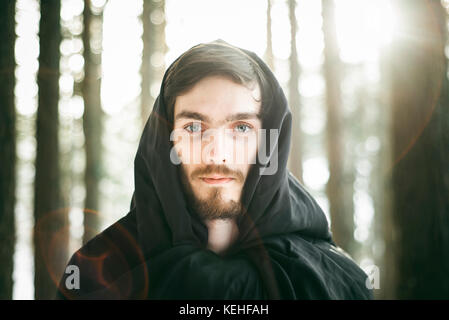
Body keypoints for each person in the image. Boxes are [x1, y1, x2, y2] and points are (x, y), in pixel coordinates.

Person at [56, 40, 373, 300]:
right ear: (167, 142)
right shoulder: (98, 273)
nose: (217, 152)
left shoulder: (336, 282)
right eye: (194, 127)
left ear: (268, 142)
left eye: (241, 127)